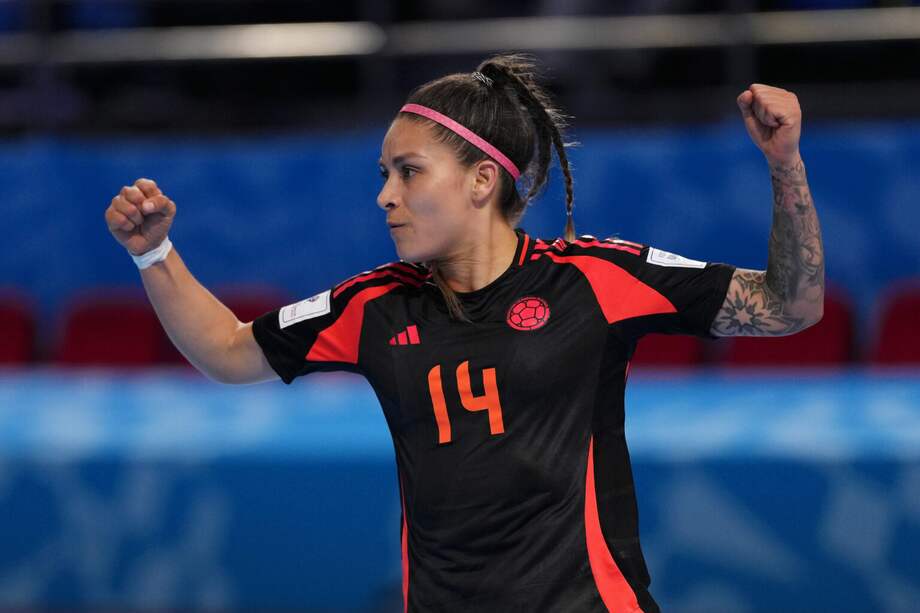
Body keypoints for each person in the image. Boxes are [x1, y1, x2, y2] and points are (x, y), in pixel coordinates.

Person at [104, 54, 824, 612]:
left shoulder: (597, 278)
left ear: (482, 180)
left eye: (408, 171)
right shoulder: (375, 307)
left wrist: (784, 164)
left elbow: (791, 305)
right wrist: (154, 253)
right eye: (385, 172)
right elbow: (229, 352)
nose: (385, 193)